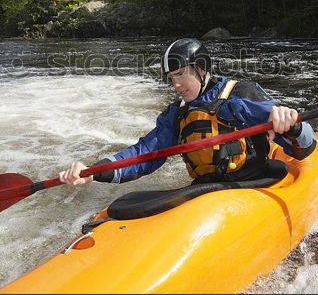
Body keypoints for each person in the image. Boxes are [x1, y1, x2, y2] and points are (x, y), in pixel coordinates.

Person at [59, 38, 317, 187]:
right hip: (205, 191)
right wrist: (95, 172)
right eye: (172, 78)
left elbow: (304, 147)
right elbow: (144, 154)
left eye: (181, 74)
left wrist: (292, 126)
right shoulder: (177, 114)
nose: (176, 85)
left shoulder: (240, 95)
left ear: (202, 69)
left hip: (253, 183)